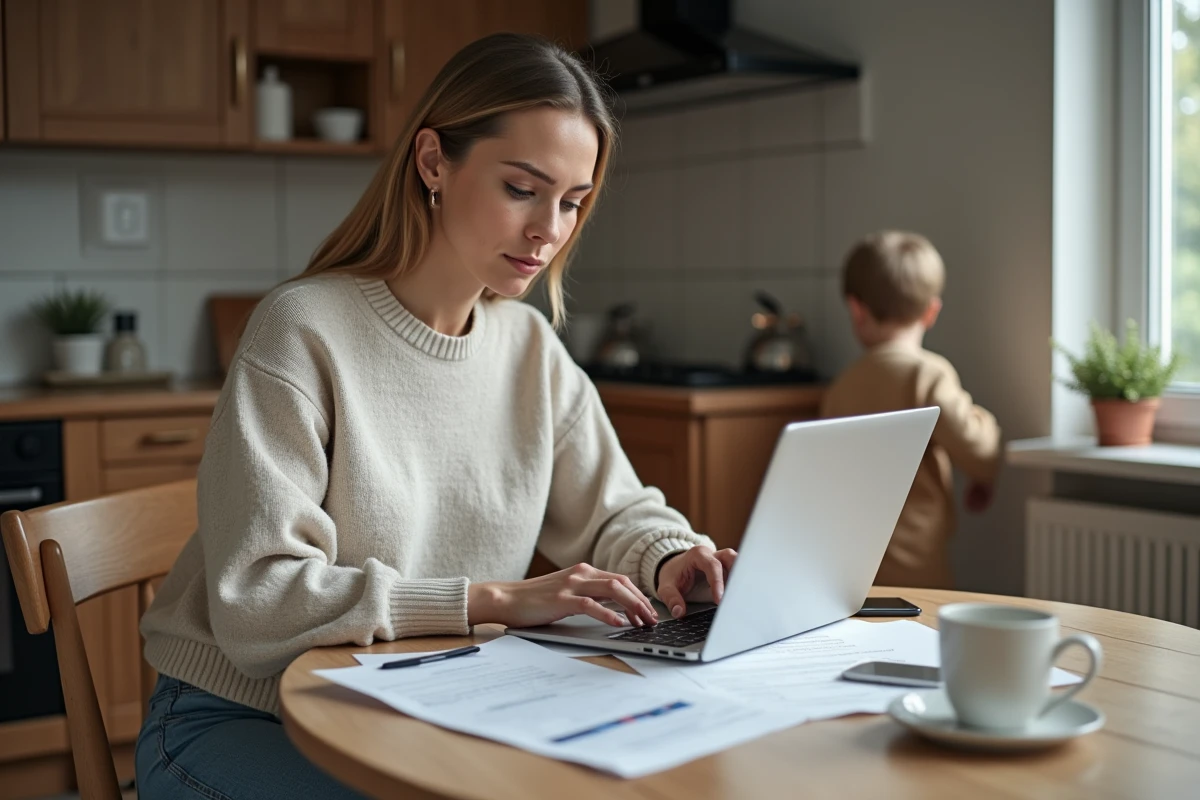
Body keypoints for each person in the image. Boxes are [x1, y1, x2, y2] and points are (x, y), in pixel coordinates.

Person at [135, 33, 735, 798]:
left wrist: (671, 560)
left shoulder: (529, 348)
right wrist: (493, 601)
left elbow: (614, 511)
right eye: (523, 189)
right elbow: (261, 601)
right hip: (239, 716)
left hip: (414, 706)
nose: (549, 229)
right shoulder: (303, 329)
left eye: (573, 202)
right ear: (432, 164)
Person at [820, 230, 1001, 590]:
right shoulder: (926, 375)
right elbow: (979, 450)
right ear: (931, 311)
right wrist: (985, 446)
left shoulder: (842, 386)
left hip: (848, 564)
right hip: (917, 564)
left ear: (857, 310)